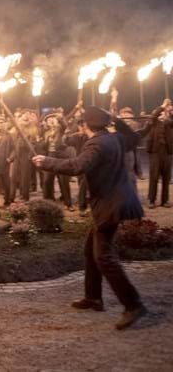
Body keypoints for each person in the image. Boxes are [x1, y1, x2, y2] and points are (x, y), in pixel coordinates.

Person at [32, 106, 147, 330]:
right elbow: (134, 136)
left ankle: (133, 304)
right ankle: (93, 297)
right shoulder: (116, 138)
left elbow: (77, 166)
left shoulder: (97, 143)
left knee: (104, 256)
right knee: (90, 251)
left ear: (85, 125)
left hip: (110, 204)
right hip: (118, 200)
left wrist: (46, 161)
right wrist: (115, 120)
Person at [137, 99, 173, 209]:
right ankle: (151, 200)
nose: (162, 115)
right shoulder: (153, 122)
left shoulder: (169, 122)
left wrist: (170, 112)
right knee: (154, 177)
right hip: (155, 152)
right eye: (161, 113)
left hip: (167, 152)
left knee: (166, 177)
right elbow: (153, 116)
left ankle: (165, 200)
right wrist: (162, 107)